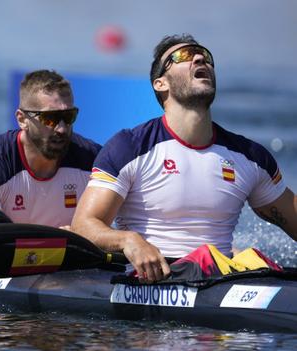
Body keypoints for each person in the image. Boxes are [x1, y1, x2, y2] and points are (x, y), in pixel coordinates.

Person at [71, 34, 296, 283]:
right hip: (154, 279)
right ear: (160, 84)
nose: (201, 58)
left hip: (221, 280)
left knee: (257, 263)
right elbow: (84, 225)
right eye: (184, 56)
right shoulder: (129, 147)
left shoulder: (250, 157)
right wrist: (128, 240)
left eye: (206, 56)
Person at [0, 70, 101, 227]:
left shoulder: (95, 160)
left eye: (68, 116)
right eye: (50, 118)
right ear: (22, 120)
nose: (61, 129)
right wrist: (62, 238)